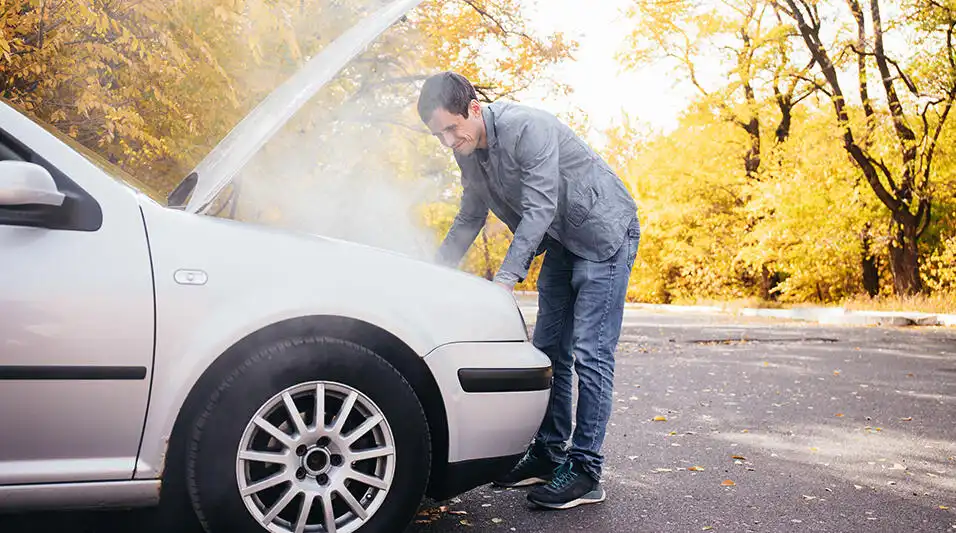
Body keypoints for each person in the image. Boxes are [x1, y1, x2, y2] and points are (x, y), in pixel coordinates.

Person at [417, 71, 641, 510]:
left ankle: (586, 471)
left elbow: (540, 206)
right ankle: (548, 452)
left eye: (451, 128)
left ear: (474, 109)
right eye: (437, 133)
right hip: (561, 241)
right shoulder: (466, 150)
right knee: (548, 350)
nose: (447, 140)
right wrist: (432, 273)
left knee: (590, 353)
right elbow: (469, 216)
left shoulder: (529, 127)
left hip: (604, 234)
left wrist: (505, 279)